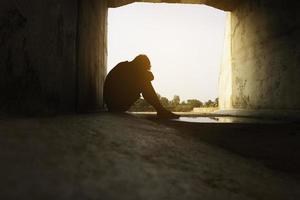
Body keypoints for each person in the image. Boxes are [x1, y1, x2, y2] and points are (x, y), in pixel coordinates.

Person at [104, 54, 179, 119]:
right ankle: (160, 110)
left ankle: (161, 110)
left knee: (143, 80)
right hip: (116, 105)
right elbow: (150, 76)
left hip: (113, 105)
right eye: (144, 68)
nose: (145, 71)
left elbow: (150, 76)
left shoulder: (125, 66)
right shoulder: (127, 69)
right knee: (144, 82)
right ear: (140, 65)